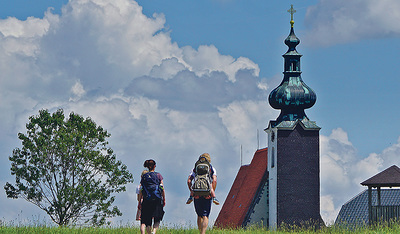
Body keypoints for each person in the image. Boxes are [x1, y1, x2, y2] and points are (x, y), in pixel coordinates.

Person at [187, 153, 218, 234]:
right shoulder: (211, 168)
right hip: (207, 192)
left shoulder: (195, 168)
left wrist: (192, 191)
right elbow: (214, 180)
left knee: (199, 215)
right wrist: (212, 191)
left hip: (196, 192)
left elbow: (189, 181)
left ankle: (200, 231)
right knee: (205, 215)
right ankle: (203, 233)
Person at [138, 159, 165, 234]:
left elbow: (141, 190)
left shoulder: (144, 176)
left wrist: (140, 201)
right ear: (154, 166)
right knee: (157, 218)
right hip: (157, 199)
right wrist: (164, 199)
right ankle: (154, 231)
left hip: (147, 200)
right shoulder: (158, 175)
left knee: (147, 220)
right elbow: (162, 188)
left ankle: (149, 232)